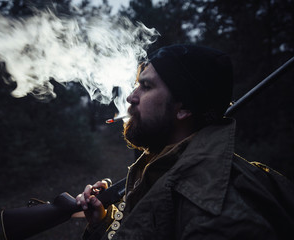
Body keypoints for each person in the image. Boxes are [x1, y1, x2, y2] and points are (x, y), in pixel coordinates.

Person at [76, 44, 294, 240]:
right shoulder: (162, 170)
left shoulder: (213, 215)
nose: (131, 97)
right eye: (137, 85)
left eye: (146, 86)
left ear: (184, 109)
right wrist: (102, 223)